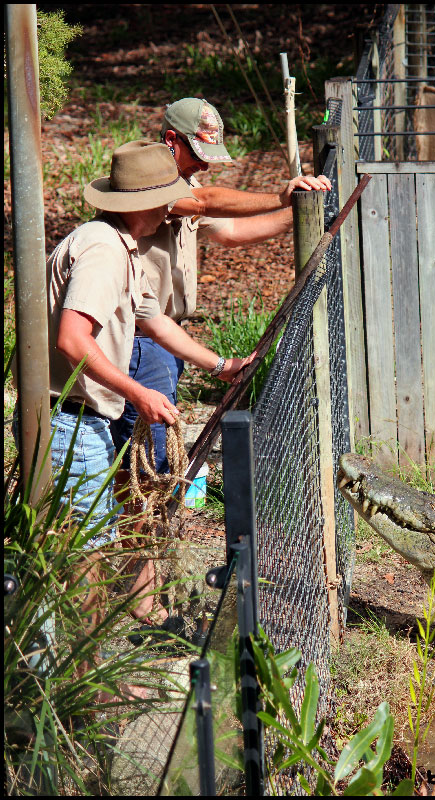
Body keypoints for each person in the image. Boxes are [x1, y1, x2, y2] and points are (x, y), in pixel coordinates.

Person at [110, 99, 331, 631]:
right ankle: (141, 607)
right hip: (144, 342)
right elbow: (205, 200)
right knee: (149, 475)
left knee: (152, 474)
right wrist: (279, 191)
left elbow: (229, 231)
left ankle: (142, 597)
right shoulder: (155, 188)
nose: (206, 163)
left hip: (165, 341)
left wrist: (305, 212)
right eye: (199, 151)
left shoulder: (183, 192)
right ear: (171, 141)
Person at [44, 140, 251, 700]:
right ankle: (84, 687)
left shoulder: (123, 247)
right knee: (85, 553)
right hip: (71, 417)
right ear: (141, 201)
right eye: (163, 197)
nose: (172, 207)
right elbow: (71, 337)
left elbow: (154, 322)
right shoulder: (104, 252)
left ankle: (82, 674)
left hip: (86, 412)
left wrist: (223, 364)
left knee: (95, 542)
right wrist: (139, 393)